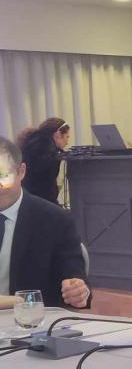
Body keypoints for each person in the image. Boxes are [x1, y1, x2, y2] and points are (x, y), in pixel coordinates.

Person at [0, 136, 89, 308]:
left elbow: (73, 276)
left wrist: (77, 290)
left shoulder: (54, 220)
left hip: (28, 319)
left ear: (21, 172)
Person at [16, 117, 70, 204]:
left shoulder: (31, 145)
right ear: (58, 134)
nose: (67, 142)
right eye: (67, 137)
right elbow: (47, 187)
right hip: (41, 201)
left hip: (26, 198)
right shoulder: (49, 154)